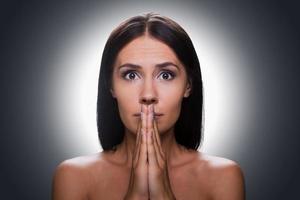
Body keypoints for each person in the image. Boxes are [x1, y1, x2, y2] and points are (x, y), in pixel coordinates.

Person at [52, 12, 245, 200]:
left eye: (166, 75)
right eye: (131, 75)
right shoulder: (74, 177)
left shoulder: (223, 177)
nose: (148, 95)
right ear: (111, 86)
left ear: (188, 85)